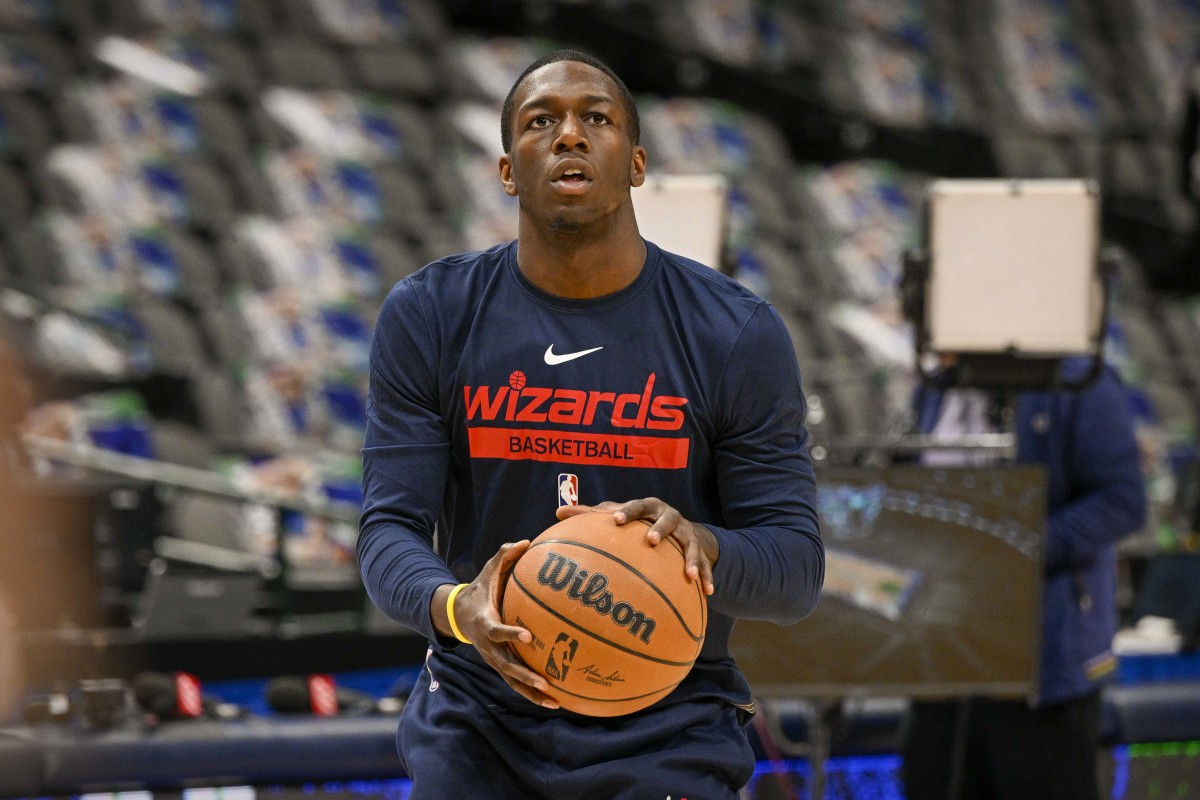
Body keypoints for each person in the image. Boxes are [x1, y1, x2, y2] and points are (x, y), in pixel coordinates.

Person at [357, 49, 824, 799]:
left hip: (668, 722)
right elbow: (387, 533)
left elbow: (795, 568)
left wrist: (697, 546)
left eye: (595, 119)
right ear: (508, 170)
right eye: (541, 121)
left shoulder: (735, 334)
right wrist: (458, 607)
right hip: (482, 714)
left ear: (636, 164)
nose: (569, 135)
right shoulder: (431, 314)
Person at [900, 360, 1147, 800]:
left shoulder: (1077, 379)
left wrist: (1017, 548)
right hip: (939, 660)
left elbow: (1122, 500)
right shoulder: (936, 384)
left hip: (1045, 670)